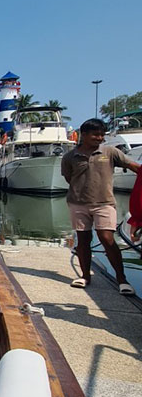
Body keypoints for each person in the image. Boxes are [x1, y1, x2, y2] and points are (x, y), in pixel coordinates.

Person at [61, 118, 140, 295]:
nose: (99, 138)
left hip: (105, 203)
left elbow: (134, 166)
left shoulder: (110, 152)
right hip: (78, 203)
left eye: (101, 135)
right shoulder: (69, 157)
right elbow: (69, 178)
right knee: (83, 240)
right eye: (95, 135)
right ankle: (85, 276)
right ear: (84, 135)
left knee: (107, 238)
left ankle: (122, 280)